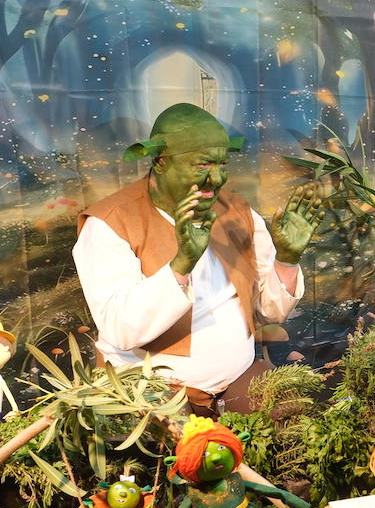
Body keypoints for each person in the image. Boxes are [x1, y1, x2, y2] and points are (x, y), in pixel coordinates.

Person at [73, 103, 315, 417]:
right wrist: (182, 264)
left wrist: (287, 260)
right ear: (161, 162)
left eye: (222, 164)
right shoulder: (109, 223)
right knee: (179, 446)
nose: (216, 178)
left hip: (237, 380)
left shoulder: (238, 213)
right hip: (151, 393)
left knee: (294, 419)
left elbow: (269, 311)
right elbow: (121, 330)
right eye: (203, 165)